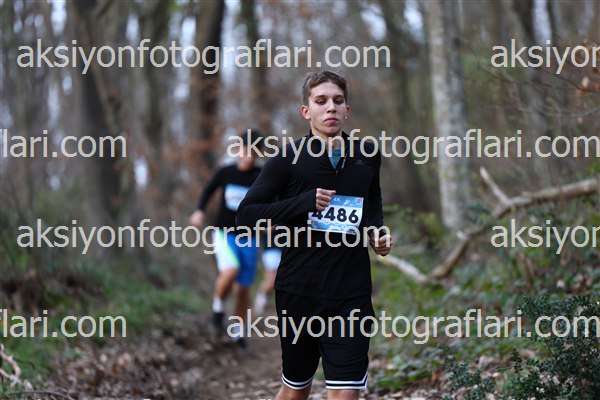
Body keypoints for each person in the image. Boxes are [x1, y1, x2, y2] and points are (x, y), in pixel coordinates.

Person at [237, 71, 392, 400]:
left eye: (338, 100)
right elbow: (246, 214)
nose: (330, 107)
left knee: (345, 393)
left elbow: (372, 202)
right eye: (321, 101)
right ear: (306, 111)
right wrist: (302, 203)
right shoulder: (286, 159)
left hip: (351, 292)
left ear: (347, 109)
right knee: (296, 390)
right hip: (299, 292)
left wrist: (376, 231)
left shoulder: (367, 155)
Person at [189, 130, 263, 349]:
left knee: (243, 290)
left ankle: (238, 333)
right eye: (247, 150)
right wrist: (199, 211)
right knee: (230, 271)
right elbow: (208, 190)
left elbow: (273, 199)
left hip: (249, 236)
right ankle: (218, 307)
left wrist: (272, 220)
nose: (249, 156)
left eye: (255, 152)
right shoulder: (226, 172)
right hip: (224, 233)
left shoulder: (261, 175)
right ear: (239, 149)